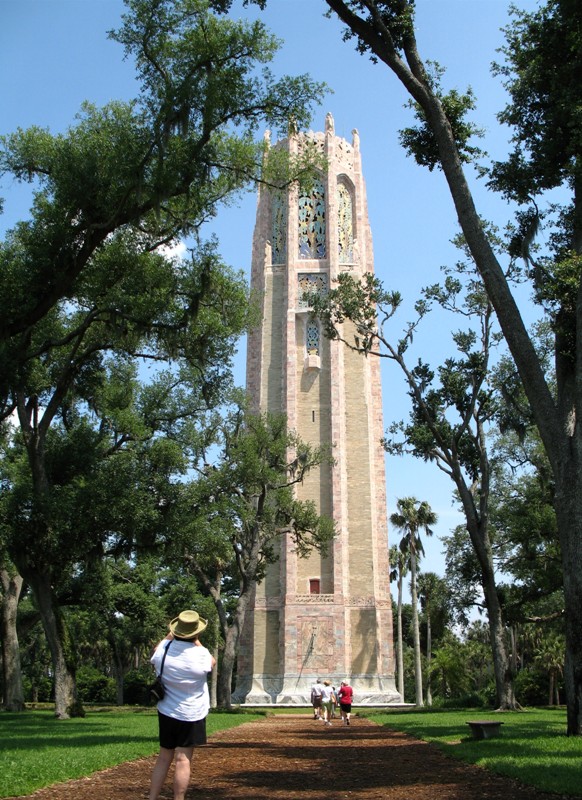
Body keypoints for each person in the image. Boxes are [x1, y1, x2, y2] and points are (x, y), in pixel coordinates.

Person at [149, 609, 216, 800]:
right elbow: (212, 662)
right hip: (192, 713)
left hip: (167, 709)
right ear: (196, 633)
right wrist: (196, 640)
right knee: (183, 759)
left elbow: (155, 653)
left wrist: (169, 636)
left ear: (176, 630)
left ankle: (152, 797)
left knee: (163, 757)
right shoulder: (200, 654)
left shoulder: (164, 650)